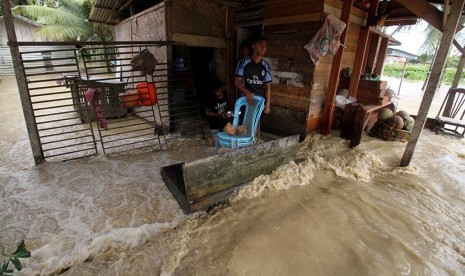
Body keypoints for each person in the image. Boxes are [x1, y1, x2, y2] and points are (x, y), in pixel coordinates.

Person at [234, 36, 272, 114]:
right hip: (245, 100)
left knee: (256, 124)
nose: (263, 48)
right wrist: (247, 92)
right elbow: (237, 81)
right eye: (261, 45)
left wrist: (267, 105)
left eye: (265, 46)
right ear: (254, 47)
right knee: (244, 124)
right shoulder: (243, 62)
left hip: (259, 102)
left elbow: (267, 87)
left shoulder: (266, 66)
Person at [206, 79, 230, 146]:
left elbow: (227, 105)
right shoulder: (211, 99)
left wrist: (227, 113)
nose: (219, 93)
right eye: (217, 92)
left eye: (219, 90)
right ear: (213, 92)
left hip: (223, 123)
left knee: (225, 143)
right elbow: (207, 113)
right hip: (214, 125)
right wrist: (218, 115)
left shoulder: (225, 94)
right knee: (215, 144)